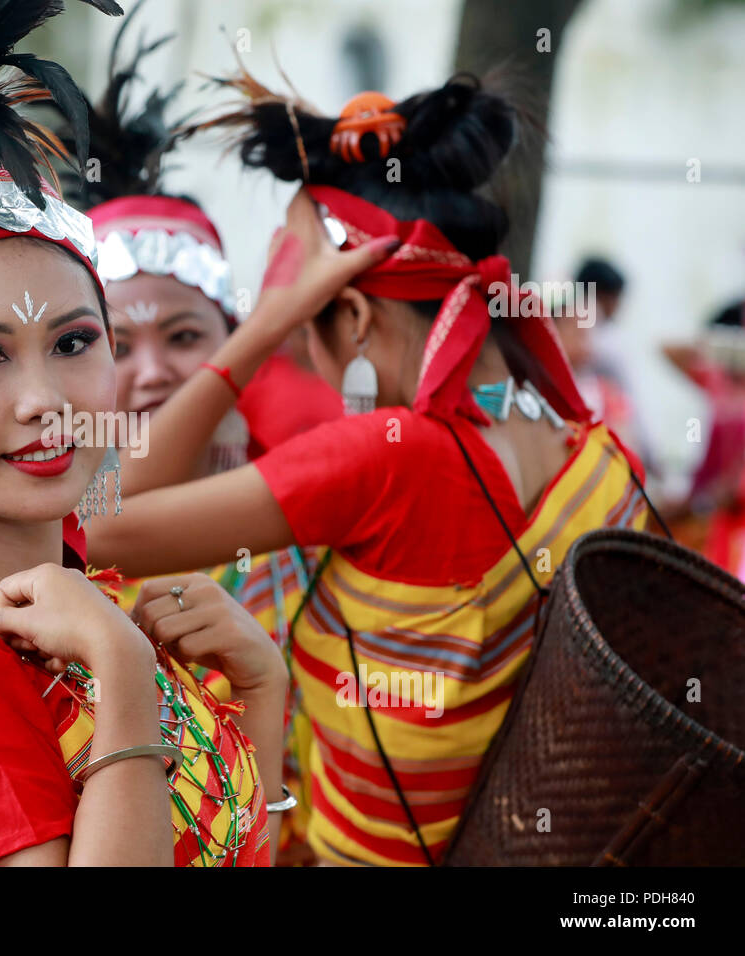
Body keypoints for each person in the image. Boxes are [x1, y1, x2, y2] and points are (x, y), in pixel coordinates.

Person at [87, 70, 654, 865]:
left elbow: (95, 523)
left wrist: (257, 330)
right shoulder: (588, 444)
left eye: (300, 299)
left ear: (351, 312)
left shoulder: (387, 458)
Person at [0, 0, 285, 867]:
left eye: (74, 342)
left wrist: (262, 691)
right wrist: (124, 674)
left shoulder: (89, 593)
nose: (45, 398)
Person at [64, 10, 319, 857]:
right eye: (114, 345)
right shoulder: (51, 544)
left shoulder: (303, 508)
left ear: (228, 342)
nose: (151, 374)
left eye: (184, 337)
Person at [662, 298, 745, 575]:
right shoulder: (717, 381)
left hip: (729, 527)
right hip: (708, 521)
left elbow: (732, 489)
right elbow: (668, 348)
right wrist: (727, 346)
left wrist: (695, 505)